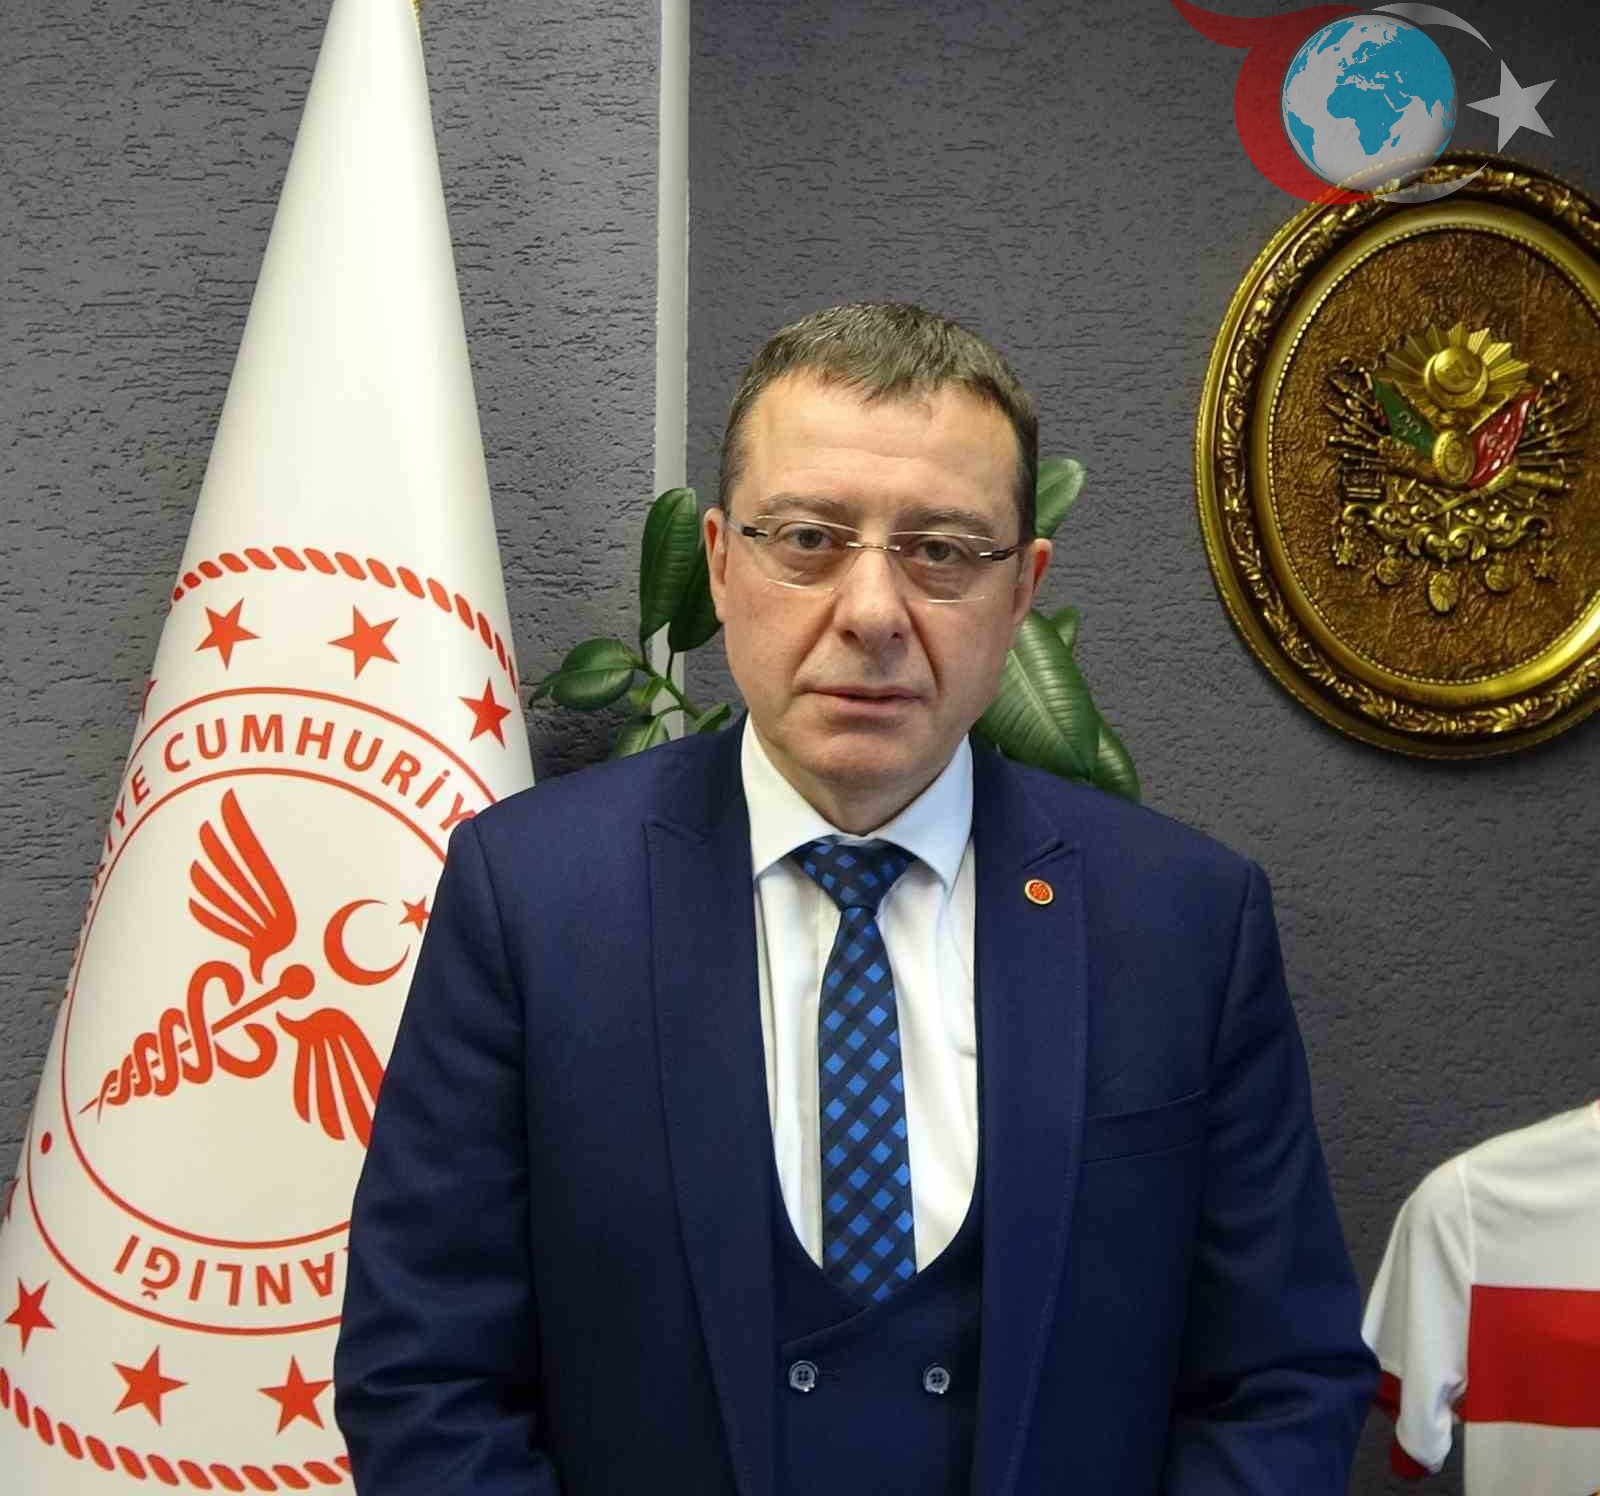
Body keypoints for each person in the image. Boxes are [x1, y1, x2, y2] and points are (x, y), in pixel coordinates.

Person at [333, 302, 1377, 1494]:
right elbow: (423, 1377)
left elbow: (1280, 1383)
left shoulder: (1184, 922)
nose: (873, 611)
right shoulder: (529, 897)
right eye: (809, 539)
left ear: (1021, 590)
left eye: (943, 550)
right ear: (720, 563)